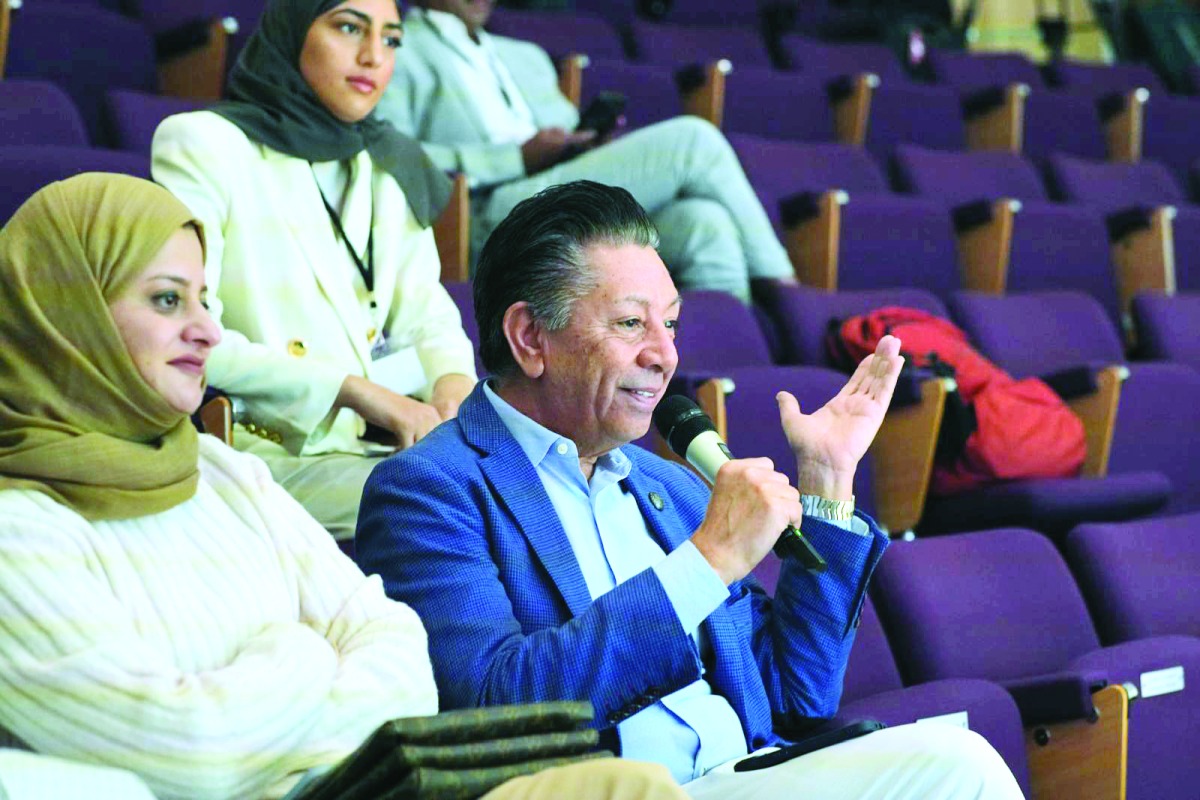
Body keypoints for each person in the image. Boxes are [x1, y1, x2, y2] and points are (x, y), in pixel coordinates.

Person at [0, 173, 691, 800]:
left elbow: (406, 676)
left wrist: (262, 704)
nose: (207, 329)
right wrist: (304, 651)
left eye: (205, 299)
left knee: (629, 789)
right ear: (67, 314)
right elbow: (193, 755)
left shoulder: (226, 474)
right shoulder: (18, 532)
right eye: (167, 300)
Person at [355, 181, 1025, 798]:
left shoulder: (668, 486)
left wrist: (826, 483)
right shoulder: (429, 489)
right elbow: (489, 705)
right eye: (631, 324)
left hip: (744, 776)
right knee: (958, 767)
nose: (665, 355)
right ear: (531, 337)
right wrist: (707, 563)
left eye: (670, 324)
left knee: (958, 753)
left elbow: (797, 700)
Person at [152, 0, 478, 541]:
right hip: (263, 453)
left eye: (391, 39)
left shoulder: (390, 160)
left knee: (522, 487)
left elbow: (428, 314)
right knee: (452, 506)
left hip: (382, 447)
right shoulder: (205, 143)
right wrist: (355, 391)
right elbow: (187, 330)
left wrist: (452, 387)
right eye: (349, 28)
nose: (373, 56)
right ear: (293, 30)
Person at [372, 0, 796, 303]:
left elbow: (567, 130)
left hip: (559, 189)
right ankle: (788, 294)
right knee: (694, 140)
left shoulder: (524, 56)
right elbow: (397, 153)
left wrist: (585, 144)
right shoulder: (399, 48)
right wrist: (516, 158)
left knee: (705, 223)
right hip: (489, 210)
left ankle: (709, 371)